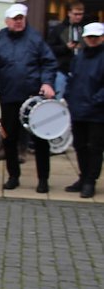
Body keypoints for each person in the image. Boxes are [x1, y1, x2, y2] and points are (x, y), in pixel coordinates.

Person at [0, 3, 57, 193]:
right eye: (14, 19)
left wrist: (47, 82)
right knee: (9, 139)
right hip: (9, 97)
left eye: (21, 18)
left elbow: (49, 62)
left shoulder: (35, 39)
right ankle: (13, 176)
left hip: (33, 99)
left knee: (40, 140)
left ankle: (43, 179)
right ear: (7, 21)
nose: (18, 22)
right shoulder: (0, 41)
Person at [64, 22, 104, 198]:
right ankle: (83, 176)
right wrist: (68, 96)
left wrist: (95, 101)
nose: (92, 40)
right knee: (80, 146)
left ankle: (90, 181)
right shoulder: (79, 57)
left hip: (97, 112)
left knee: (95, 147)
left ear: (102, 38)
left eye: (96, 37)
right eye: (89, 37)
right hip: (78, 109)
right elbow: (72, 78)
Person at [46, 2, 86, 99]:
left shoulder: (84, 29)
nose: (78, 17)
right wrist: (65, 48)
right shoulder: (59, 29)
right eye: (76, 14)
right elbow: (49, 48)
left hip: (80, 70)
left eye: (80, 14)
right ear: (69, 13)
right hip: (62, 69)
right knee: (60, 100)